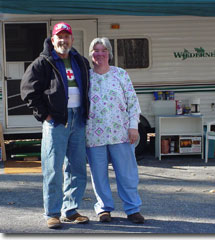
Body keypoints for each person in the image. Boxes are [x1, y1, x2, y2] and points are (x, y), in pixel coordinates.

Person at [20, 22, 90, 229]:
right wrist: (46, 116)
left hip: (78, 120)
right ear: (53, 40)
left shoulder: (80, 61)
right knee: (53, 170)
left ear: (72, 40)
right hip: (56, 121)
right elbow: (28, 92)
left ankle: (71, 210)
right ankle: (52, 213)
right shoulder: (43, 63)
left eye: (67, 36)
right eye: (59, 37)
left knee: (77, 168)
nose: (63, 40)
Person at [86, 37, 144, 224]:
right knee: (99, 174)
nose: (100, 54)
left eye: (104, 50)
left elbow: (133, 103)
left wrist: (133, 127)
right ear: (91, 54)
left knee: (127, 173)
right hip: (94, 135)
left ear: (109, 54)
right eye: (96, 50)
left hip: (121, 134)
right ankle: (104, 208)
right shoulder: (86, 77)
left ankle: (133, 209)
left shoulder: (120, 74)